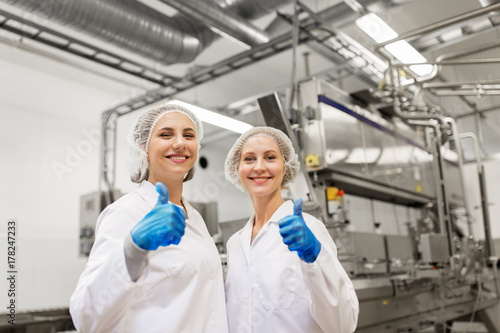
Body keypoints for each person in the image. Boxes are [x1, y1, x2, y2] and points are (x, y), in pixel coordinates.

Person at [70, 104, 228, 333]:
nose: (180, 143)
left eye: (189, 135)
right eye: (166, 134)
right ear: (143, 147)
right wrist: (133, 248)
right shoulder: (125, 214)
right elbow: (86, 316)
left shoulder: (195, 218)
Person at [224, 126, 359, 333]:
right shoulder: (235, 243)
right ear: (237, 168)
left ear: (286, 167)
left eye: (270, 157)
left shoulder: (309, 228)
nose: (259, 167)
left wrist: (315, 258)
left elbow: (343, 324)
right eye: (249, 159)